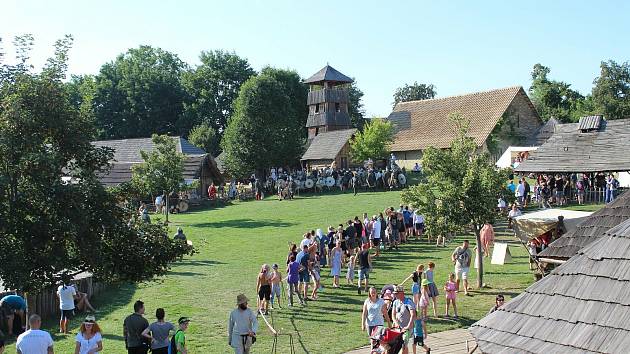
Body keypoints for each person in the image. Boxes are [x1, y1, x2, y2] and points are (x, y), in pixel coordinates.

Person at [391, 285, 416, 354]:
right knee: (401, 345)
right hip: (398, 328)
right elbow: (393, 315)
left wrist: (408, 326)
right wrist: (396, 323)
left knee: (403, 345)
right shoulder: (395, 302)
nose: (395, 295)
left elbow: (413, 314)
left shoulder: (408, 302)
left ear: (402, 293)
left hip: (407, 329)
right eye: (395, 294)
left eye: (396, 293)